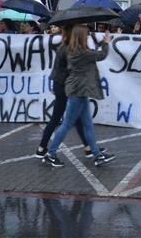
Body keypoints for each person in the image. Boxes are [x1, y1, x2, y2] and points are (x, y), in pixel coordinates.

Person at [43, 25, 115, 168]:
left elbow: (93, 52)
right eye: (86, 35)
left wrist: (102, 43)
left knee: (87, 124)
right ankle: (50, 153)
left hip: (80, 91)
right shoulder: (81, 53)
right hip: (77, 92)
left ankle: (97, 155)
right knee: (67, 124)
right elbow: (101, 55)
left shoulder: (74, 50)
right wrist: (106, 42)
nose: (87, 37)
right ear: (81, 37)